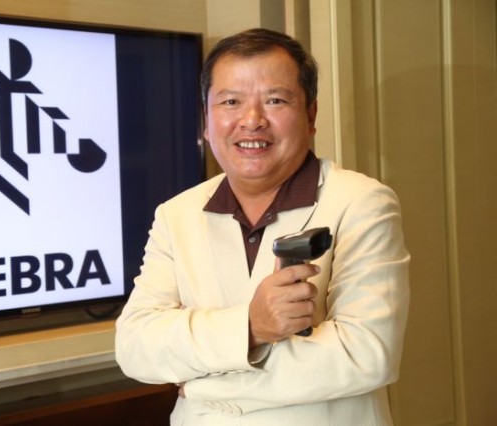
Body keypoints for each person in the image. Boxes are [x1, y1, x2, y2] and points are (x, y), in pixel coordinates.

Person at [115, 28, 410, 425]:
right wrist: (251, 326)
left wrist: (201, 383)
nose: (252, 120)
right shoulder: (176, 213)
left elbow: (365, 355)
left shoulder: (361, 201)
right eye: (230, 102)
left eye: (275, 100)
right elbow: (135, 347)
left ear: (311, 115)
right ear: (206, 121)